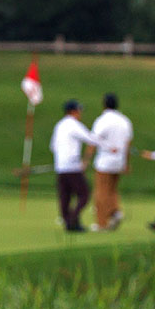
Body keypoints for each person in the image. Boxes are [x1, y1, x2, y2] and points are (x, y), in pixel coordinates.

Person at [50, 99, 101, 232]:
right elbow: (90, 138)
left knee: (65, 196)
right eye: (79, 110)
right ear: (73, 111)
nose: (80, 113)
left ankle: (69, 223)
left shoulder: (59, 125)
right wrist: (108, 145)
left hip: (60, 167)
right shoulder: (73, 124)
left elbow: (53, 147)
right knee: (84, 194)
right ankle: (72, 219)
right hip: (72, 166)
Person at [85, 93, 133, 231]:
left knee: (101, 191)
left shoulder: (102, 120)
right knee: (112, 189)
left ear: (104, 104)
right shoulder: (125, 120)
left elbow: (93, 141)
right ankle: (115, 212)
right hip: (120, 160)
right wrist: (126, 163)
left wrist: (86, 159)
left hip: (105, 161)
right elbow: (128, 144)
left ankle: (101, 223)